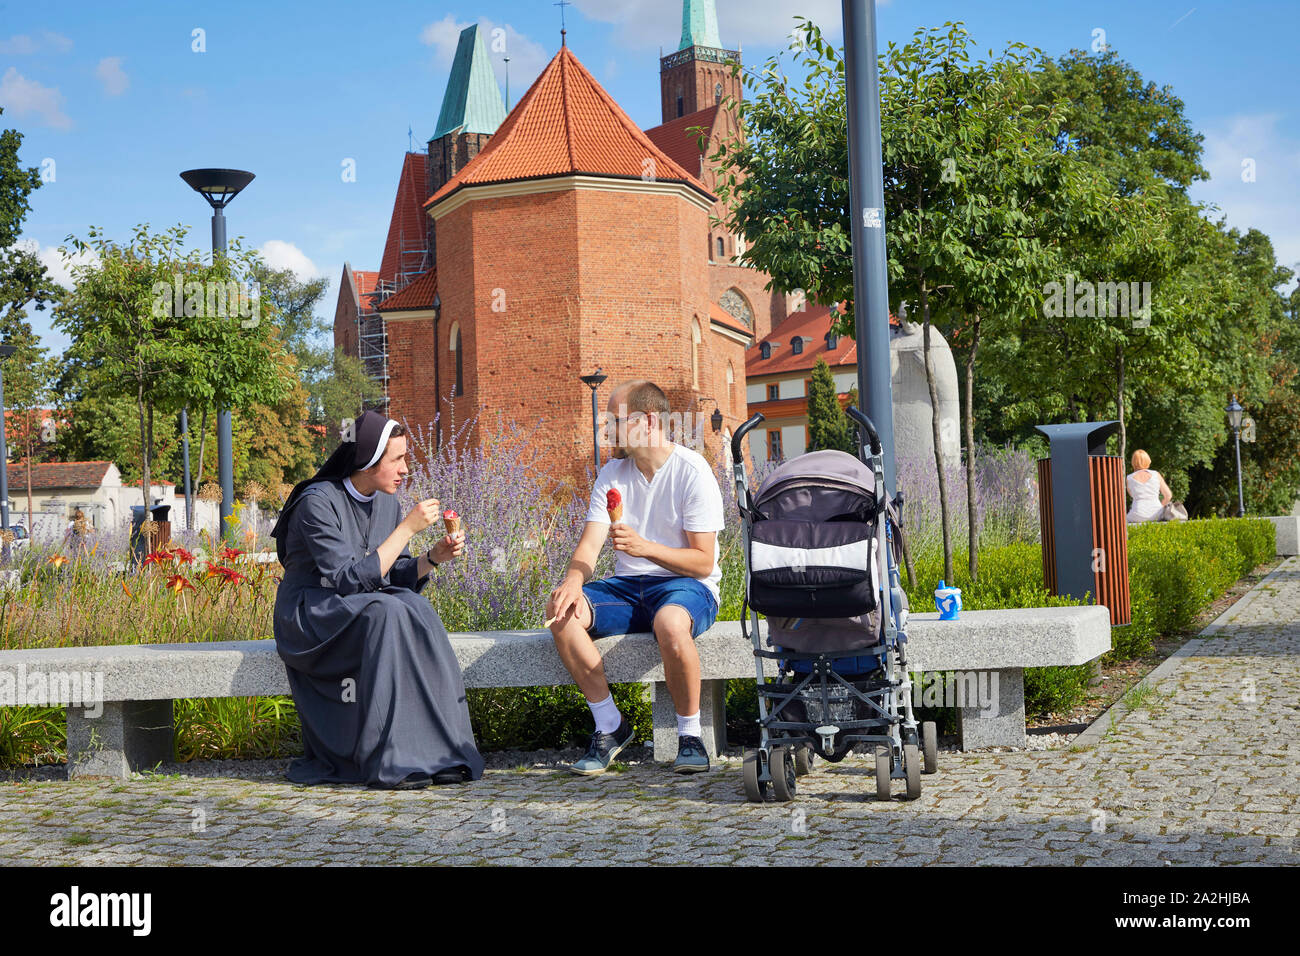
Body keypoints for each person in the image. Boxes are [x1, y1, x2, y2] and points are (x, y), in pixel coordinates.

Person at [269, 410, 484, 790]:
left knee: (415, 607)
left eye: (405, 458)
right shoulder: (316, 502)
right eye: (396, 459)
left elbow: (391, 572)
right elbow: (347, 580)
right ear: (368, 461)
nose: (405, 469)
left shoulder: (387, 502)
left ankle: (442, 752)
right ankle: (392, 757)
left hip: (358, 607)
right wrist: (407, 530)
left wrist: (431, 557)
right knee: (387, 611)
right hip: (312, 614)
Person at [547, 380, 724, 776]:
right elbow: (590, 546)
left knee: (670, 622)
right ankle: (610, 726)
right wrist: (574, 581)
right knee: (562, 613)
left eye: (613, 420)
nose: (606, 429)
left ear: (646, 421)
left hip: (686, 585)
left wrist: (646, 548)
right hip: (629, 589)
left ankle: (689, 736)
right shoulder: (613, 473)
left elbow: (702, 562)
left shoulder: (692, 471)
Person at [1126, 449, 1177, 523]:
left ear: (1133, 462)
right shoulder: (1156, 474)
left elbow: (1131, 495)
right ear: (1148, 460)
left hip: (1137, 515)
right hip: (1156, 513)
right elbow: (1168, 495)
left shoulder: (1129, 478)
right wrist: (1161, 508)